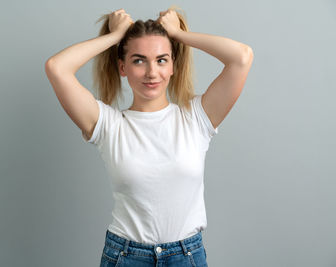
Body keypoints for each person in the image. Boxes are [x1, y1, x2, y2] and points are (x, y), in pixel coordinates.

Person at [45, 7, 253, 267]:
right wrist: (115, 36)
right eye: (139, 60)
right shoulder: (109, 125)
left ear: (173, 65)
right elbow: (57, 68)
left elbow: (242, 57)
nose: (151, 72)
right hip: (125, 256)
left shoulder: (196, 119)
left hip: (186, 256)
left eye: (162, 59)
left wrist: (178, 33)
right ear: (123, 67)